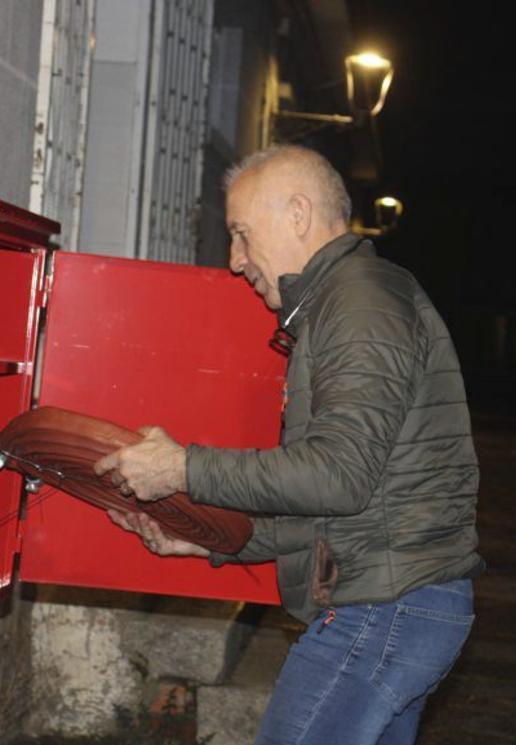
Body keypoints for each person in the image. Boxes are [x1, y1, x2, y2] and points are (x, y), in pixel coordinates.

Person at [94, 145, 483, 745]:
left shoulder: (360, 304)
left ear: (298, 214)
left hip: (382, 608)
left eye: (243, 234)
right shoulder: (346, 302)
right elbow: (338, 506)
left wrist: (182, 468)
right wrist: (207, 540)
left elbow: (336, 477)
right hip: (397, 604)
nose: (234, 260)